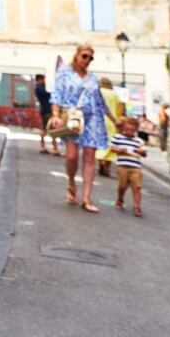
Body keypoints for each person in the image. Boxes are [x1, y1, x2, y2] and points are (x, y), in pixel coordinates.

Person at [48, 44, 116, 213]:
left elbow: (99, 101)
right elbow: (56, 94)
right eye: (85, 56)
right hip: (72, 118)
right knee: (71, 156)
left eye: (90, 58)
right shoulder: (64, 73)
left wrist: (114, 119)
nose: (87, 60)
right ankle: (71, 181)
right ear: (77, 56)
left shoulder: (93, 78)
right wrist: (55, 114)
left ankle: (86, 198)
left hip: (92, 119)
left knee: (90, 157)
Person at [112, 116, 146, 217]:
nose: (129, 132)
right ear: (123, 128)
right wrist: (120, 150)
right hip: (123, 166)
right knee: (122, 186)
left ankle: (137, 207)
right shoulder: (118, 137)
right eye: (126, 129)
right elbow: (112, 148)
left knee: (137, 187)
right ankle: (120, 198)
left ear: (136, 130)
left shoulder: (139, 141)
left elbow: (144, 153)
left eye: (131, 130)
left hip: (136, 167)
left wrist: (141, 151)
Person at [95, 77, 122, 177]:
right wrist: (119, 120)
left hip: (99, 121)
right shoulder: (115, 95)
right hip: (112, 122)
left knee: (99, 144)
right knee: (111, 145)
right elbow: (120, 109)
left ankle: (101, 162)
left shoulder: (98, 92)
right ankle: (107, 167)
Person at [35, 73, 59, 155]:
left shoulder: (39, 88)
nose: (44, 81)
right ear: (39, 80)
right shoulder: (39, 88)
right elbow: (50, 95)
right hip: (47, 111)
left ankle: (43, 147)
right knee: (52, 129)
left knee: (43, 129)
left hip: (44, 110)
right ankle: (55, 148)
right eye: (43, 79)